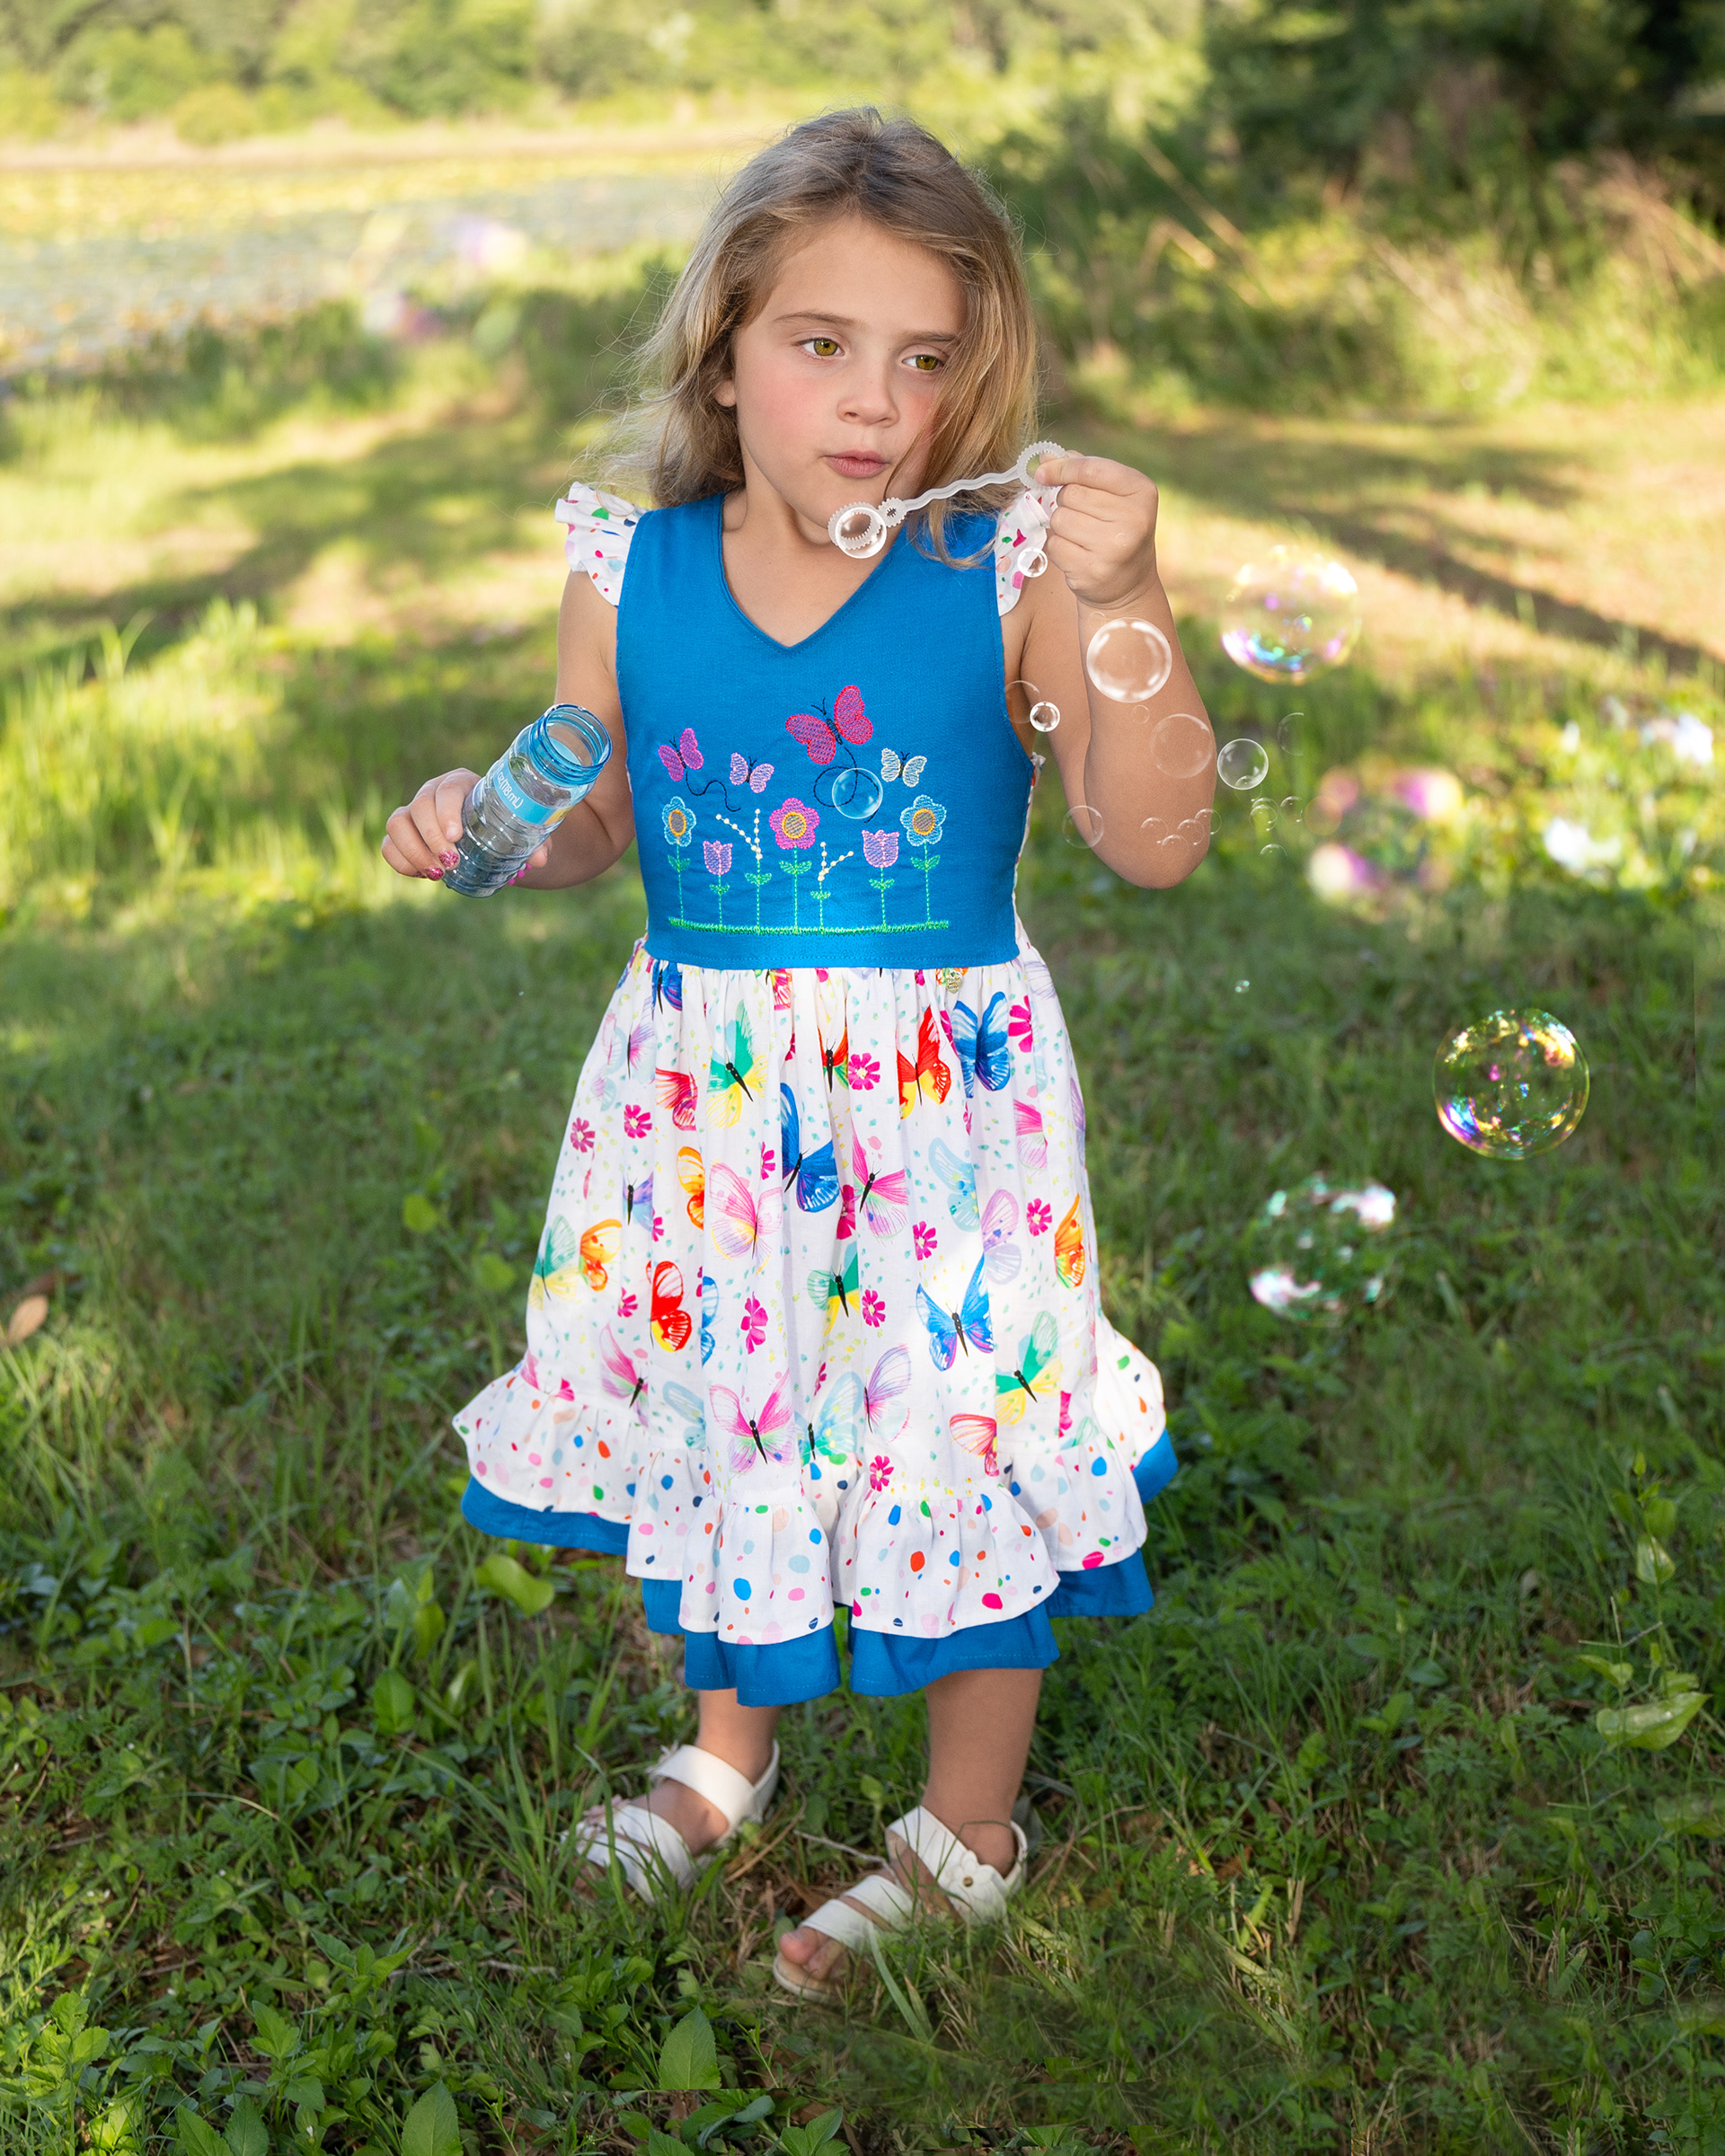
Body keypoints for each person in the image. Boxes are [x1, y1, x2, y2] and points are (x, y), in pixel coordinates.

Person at [383, 107, 1215, 2004]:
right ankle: (723, 1759)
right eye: (823, 344)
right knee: (732, 1399)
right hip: (708, 1097)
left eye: (927, 358)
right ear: (724, 351)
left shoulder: (1006, 570)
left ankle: (966, 1830)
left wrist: (1128, 596)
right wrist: (482, 820)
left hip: (945, 1110)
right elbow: (593, 812)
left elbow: (1157, 838)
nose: (876, 402)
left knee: (960, 1431)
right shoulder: (633, 568)